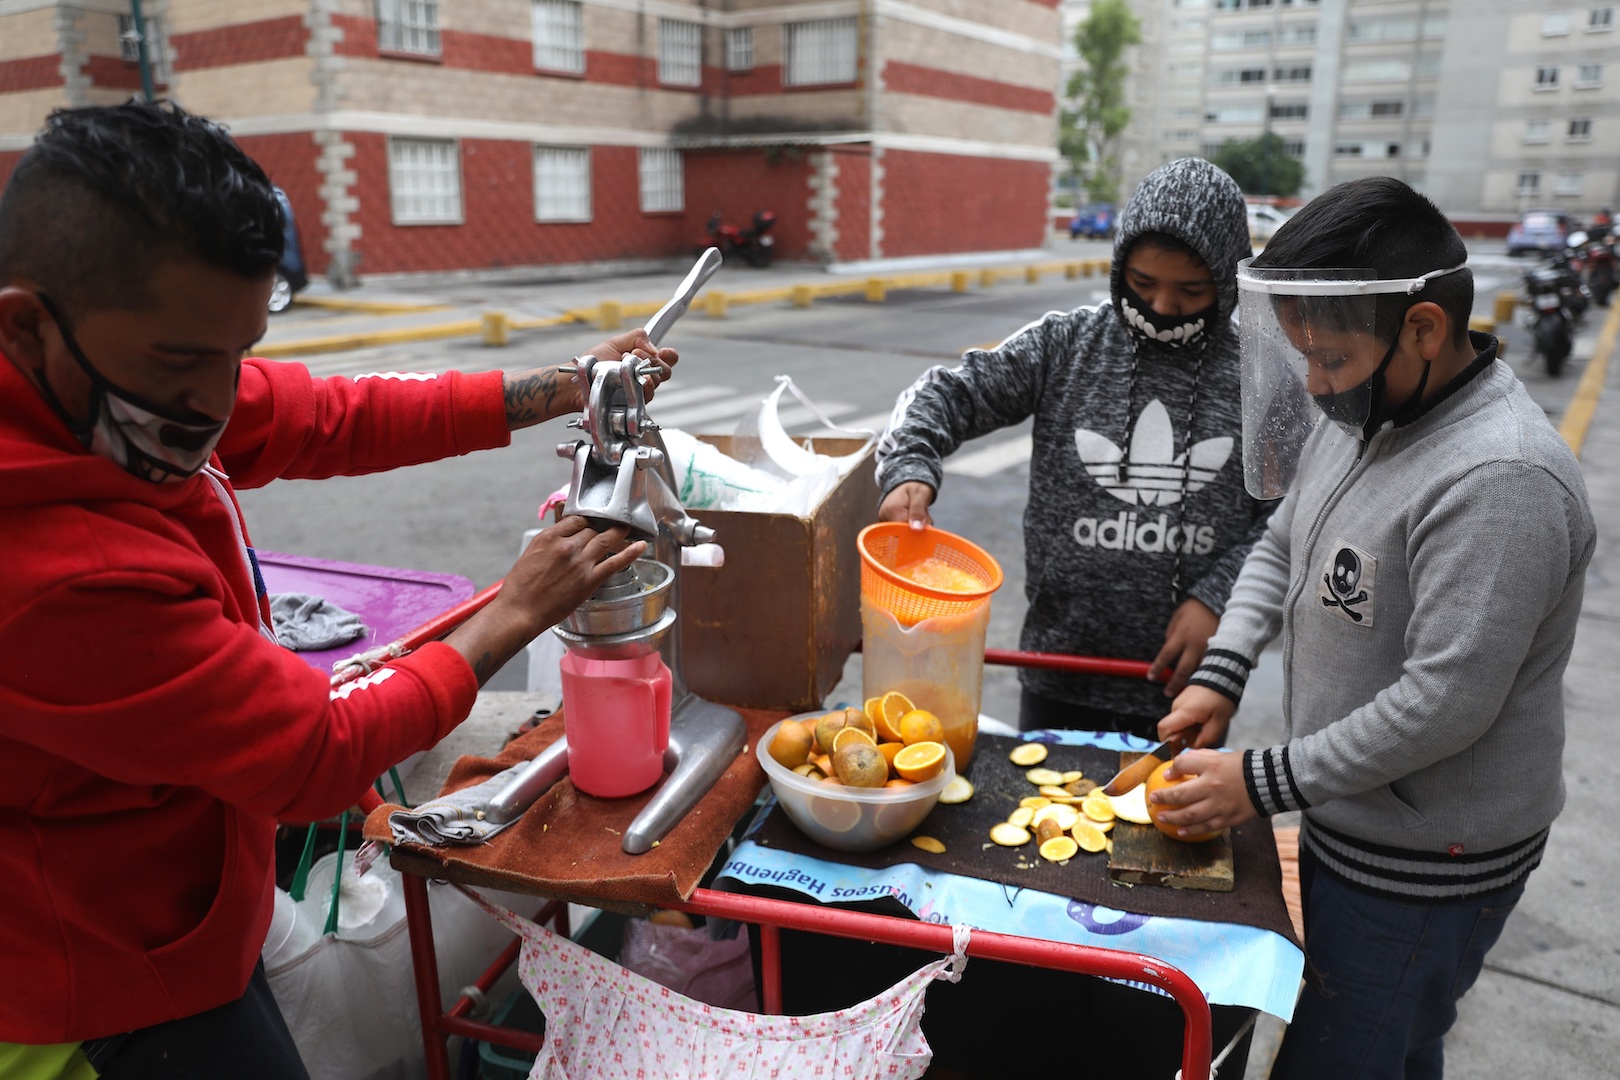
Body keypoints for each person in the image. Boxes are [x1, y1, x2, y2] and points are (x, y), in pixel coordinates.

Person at [0, 101, 678, 1078]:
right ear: (26, 325)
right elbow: (314, 752)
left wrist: (566, 386)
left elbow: (333, 416)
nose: (217, 402)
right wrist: (514, 614)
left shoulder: (118, 386)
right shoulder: (52, 573)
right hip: (97, 972)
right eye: (186, 365)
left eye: (239, 353)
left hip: (178, 882)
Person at [1152, 177, 1595, 1079]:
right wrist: (1223, 672)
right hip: (1349, 818)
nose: (1316, 386)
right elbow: (1283, 544)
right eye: (1303, 360)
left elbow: (1444, 703)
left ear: (1423, 329)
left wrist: (1260, 782)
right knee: (1388, 1050)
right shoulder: (1369, 414)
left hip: (1425, 868)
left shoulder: (1501, 481)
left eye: (1332, 361)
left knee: (1344, 1057)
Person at [875, 158, 1275, 737]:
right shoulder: (1066, 345)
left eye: (1191, 290)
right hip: (1056, 672)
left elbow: (1288, 520)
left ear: (1228, 280)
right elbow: (945, 392)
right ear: (1119, 268)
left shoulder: (1259, 378)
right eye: (1143, 283)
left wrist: (1219, 600)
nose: (1163, 306)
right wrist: (910, 464)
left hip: (1190, 683)